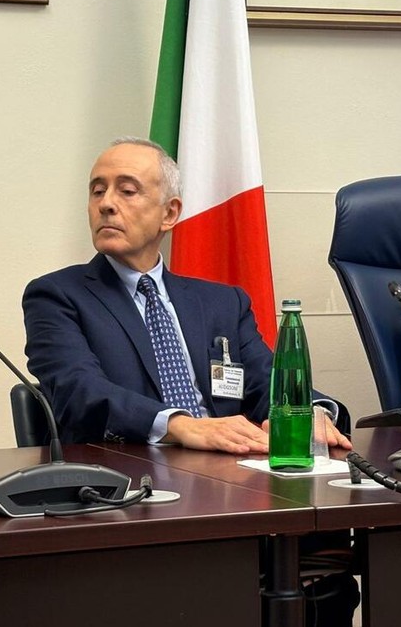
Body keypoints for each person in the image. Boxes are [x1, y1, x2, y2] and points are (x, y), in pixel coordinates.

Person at [21, 136, 351, 454]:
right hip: (127, 474)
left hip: (227, 471)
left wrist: (311, 411)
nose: (106, 204)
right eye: (97, 191)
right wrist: (180, 425)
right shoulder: (56, 296)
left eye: (127, 191)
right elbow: (79, 391)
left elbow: (266, 381)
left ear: (169, 213)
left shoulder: (223, 303)